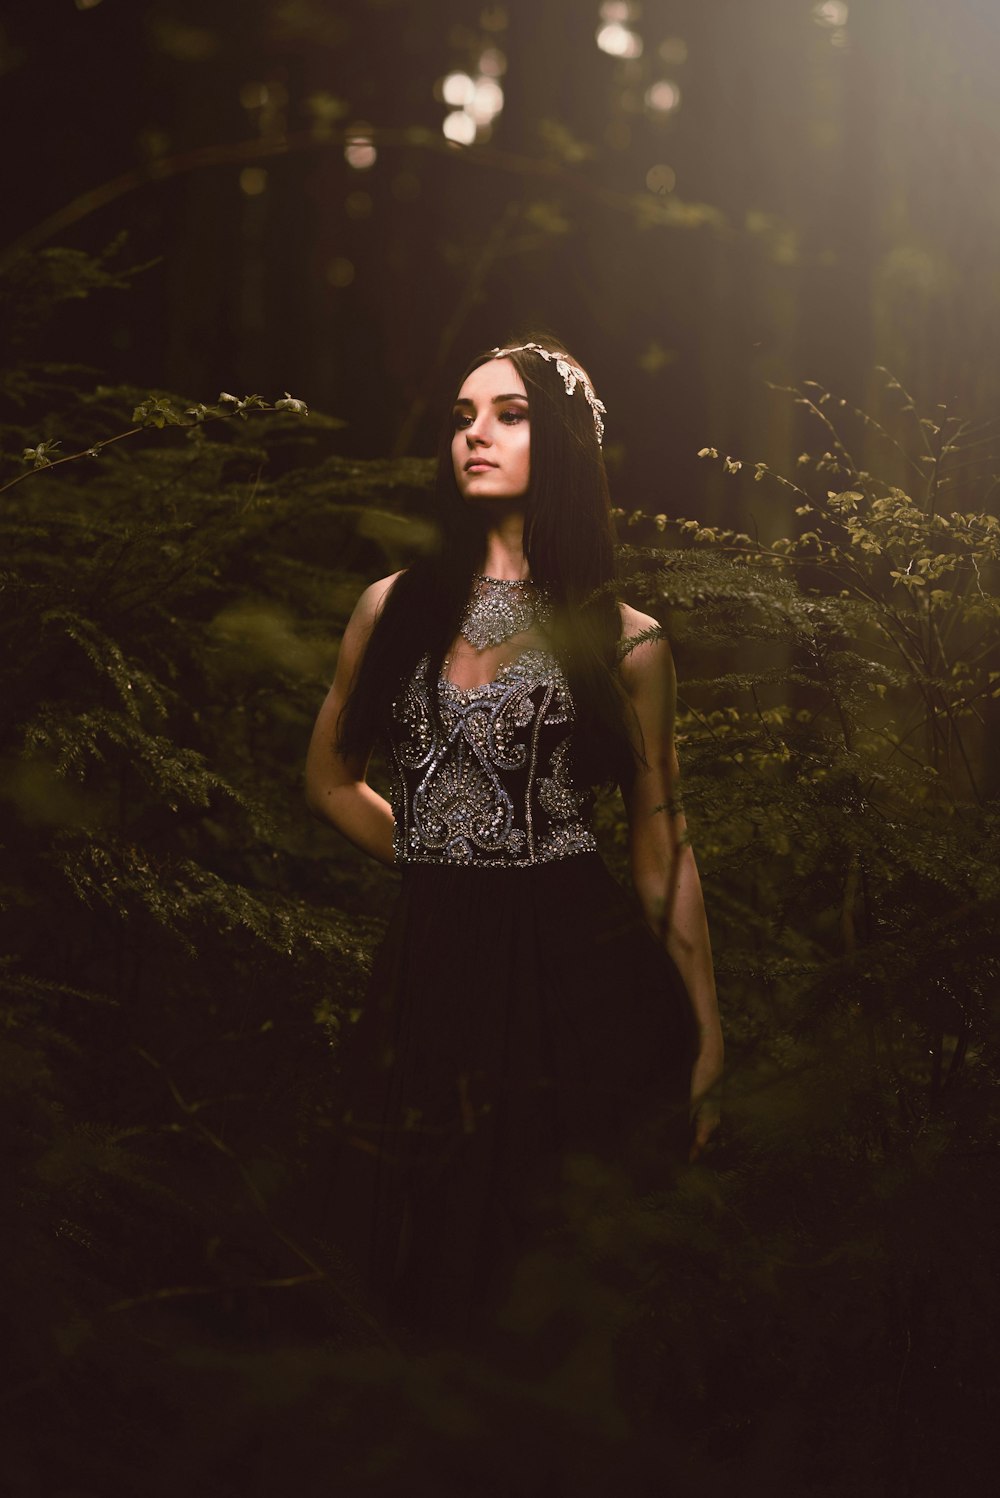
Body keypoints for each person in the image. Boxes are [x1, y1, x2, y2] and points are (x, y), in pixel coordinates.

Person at [305, 336, 723, 1350]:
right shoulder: (392, 607)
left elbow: (661, 846)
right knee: (413, 1236)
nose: (476, 434)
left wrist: (709, 1037)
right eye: (462, 415)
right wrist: (433, 848)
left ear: (565, 442)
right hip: (434, 960)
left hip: (575, 968)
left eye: (509, 413)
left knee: (549, 1257)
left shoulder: (626, 637)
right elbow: (326, 777)